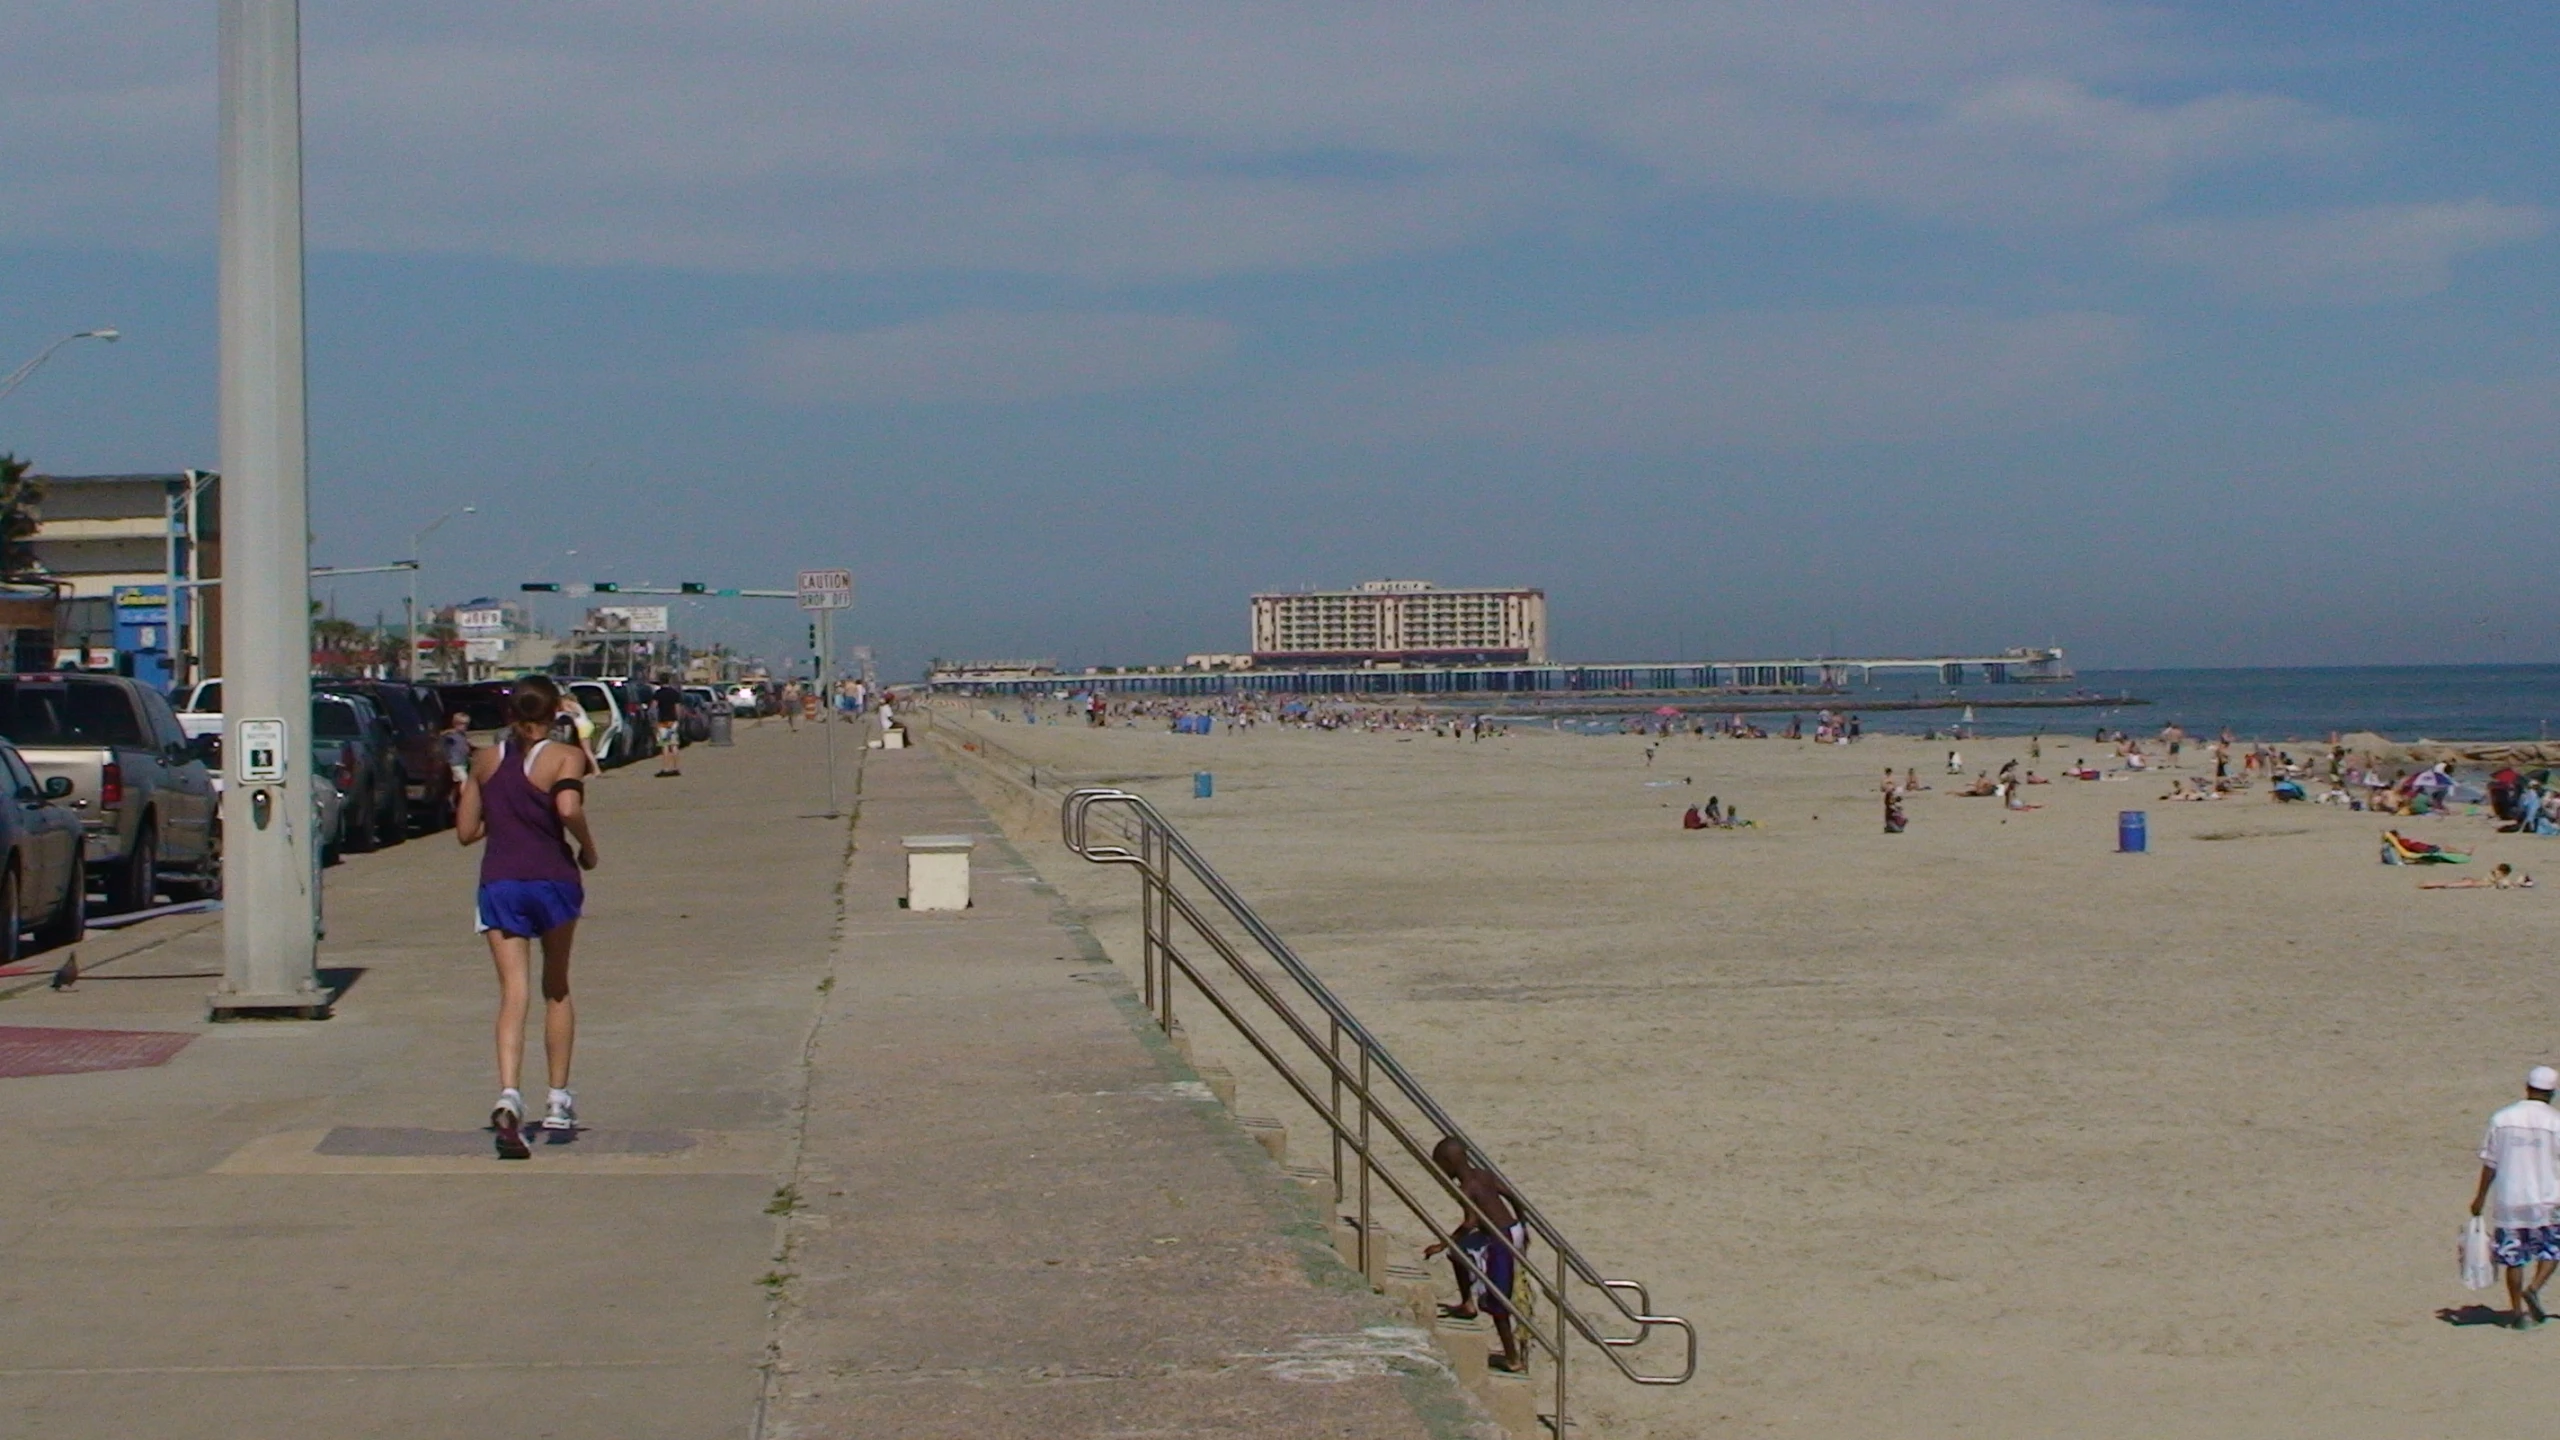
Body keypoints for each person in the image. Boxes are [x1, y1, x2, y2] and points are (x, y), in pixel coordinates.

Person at [456, 676, 600, 1160]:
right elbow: (567, 805)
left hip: (500, 882)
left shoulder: (486, 760)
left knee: (512, 992)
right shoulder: (566, 757)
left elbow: (465, 830)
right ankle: (558, 1100)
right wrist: (588, 846)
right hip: (553, 879)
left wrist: (505, 814)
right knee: (555, 986)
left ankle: (508, 1094)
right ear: (557, 710)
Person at [1422, 1136, 1528, 1374]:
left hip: (1501, 1239)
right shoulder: (1483, 1173)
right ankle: (1468, 1304)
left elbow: (1471, 1221)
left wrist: (1441, 1243)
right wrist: (1522, 1225)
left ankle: (1512, 1358)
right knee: (1458, 1253)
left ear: (1449, 1163)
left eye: (1440, 1166)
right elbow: (1511, 1195)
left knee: (1497, 1299)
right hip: (1511, 1229)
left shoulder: (1466, 1187)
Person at [2472, 1066, 2560, 1327]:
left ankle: (2517, 1313)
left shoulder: (2502, 1118)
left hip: (2510, 1199)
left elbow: (2490, 1163)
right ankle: (2534, 1288)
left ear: (2527, 1087)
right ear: (2552, 1093)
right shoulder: (2556, 1122)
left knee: (2514, 1258)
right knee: (2552, 1250)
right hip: (2548, 1199)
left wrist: (2479, 1198)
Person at [652, 677, 683, 777]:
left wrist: (653, 721)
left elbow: (653, 707)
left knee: (665, 745)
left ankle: (666, 769)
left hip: (662, 722)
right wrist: (678, 719)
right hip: (672, 721)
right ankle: (676, 768)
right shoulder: (674, 693)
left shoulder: (658, 693)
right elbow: (677, 708)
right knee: (674, 745)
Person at [440, 711, 473, 791]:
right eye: (461, 724)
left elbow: (464, 746)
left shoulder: (463, 735)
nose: (464, 726)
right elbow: (441, 739)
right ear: (455, 724)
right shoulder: (451, 735)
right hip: (455, 763)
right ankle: (465, 797)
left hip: (463, 762)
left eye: (466, 724)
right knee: (465, 780)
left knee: (457, 783)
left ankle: (453, 797)